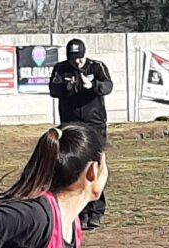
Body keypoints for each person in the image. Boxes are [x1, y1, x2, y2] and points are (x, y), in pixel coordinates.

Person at [49, 38, 113, 230]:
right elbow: (53, 89)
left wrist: (92, 85)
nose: (76, 62)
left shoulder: (96, 67)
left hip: (94, 124)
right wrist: (68, 86)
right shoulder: (61, 69)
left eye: (79, 58)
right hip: (71, 125)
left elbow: (108, 86)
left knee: (95, 166)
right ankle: (80, 212)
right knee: (74, 167)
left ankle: (96, 210)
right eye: (73, 59)